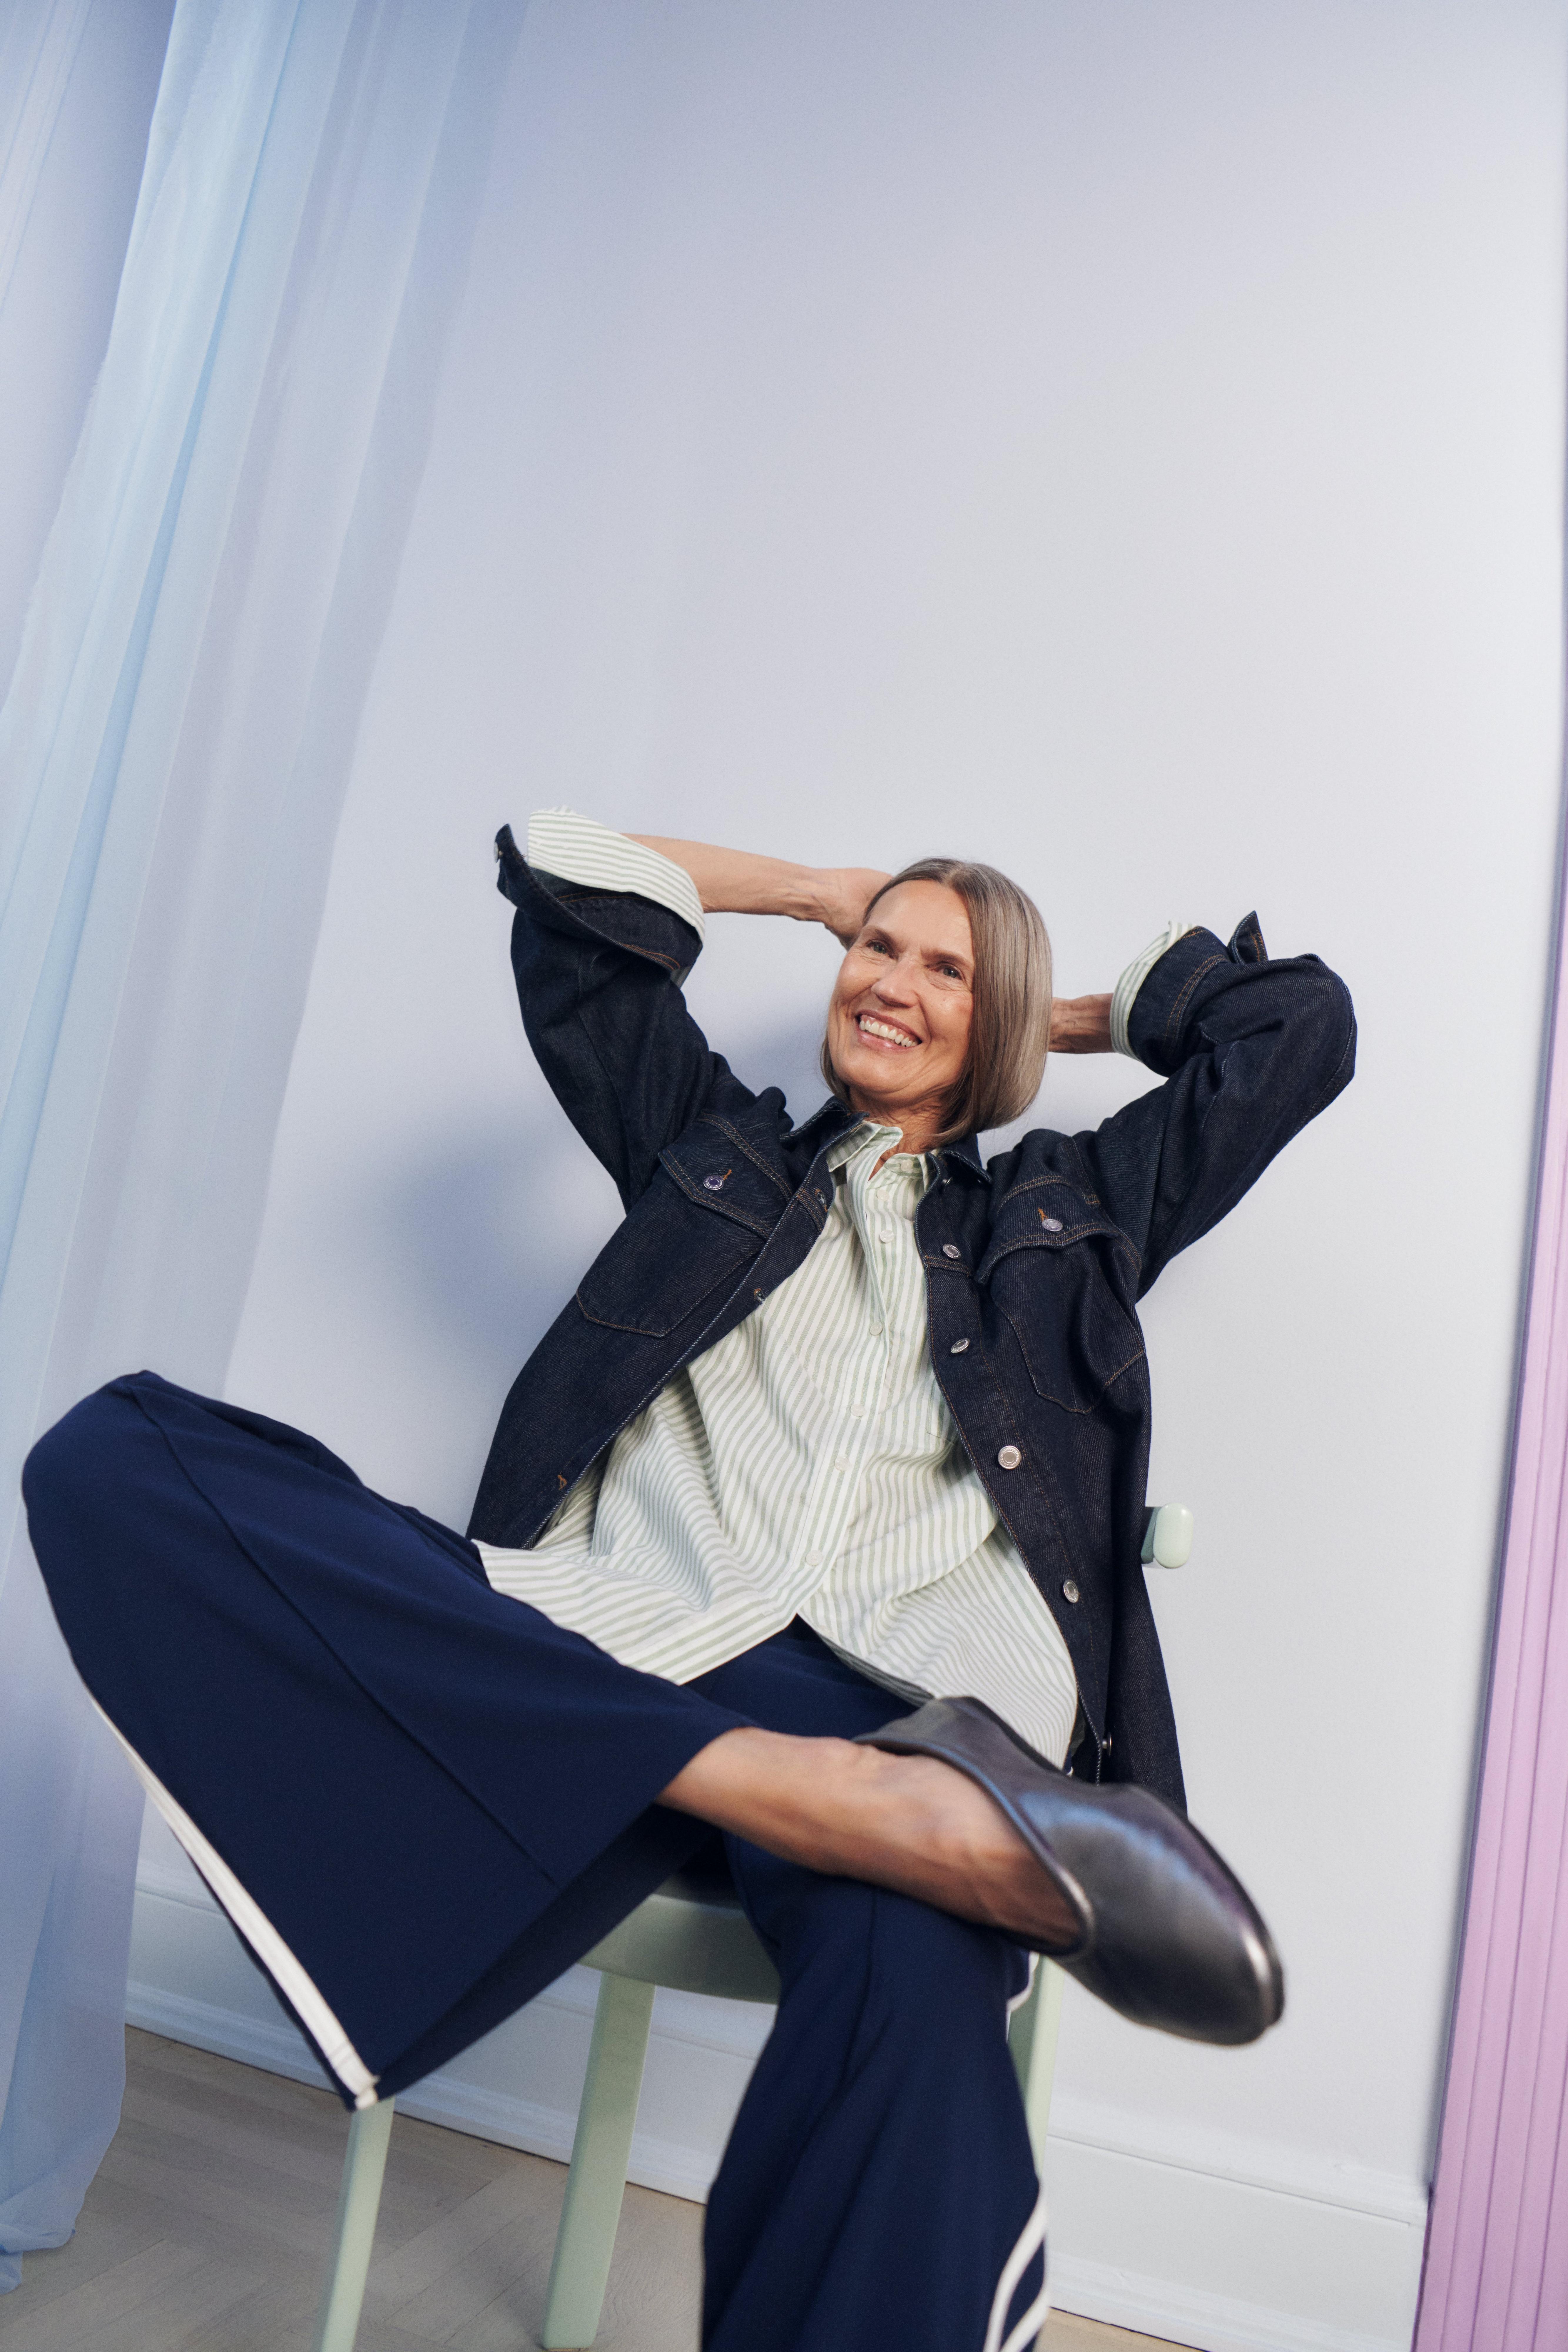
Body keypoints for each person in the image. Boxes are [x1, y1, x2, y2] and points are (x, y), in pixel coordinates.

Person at [23, 810, 1355, 2352]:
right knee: (117, 1462)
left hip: (904, 1704)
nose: (890, 980)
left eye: (940, 972)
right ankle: (803, 1795)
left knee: (905, 1974)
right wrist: (810, 890)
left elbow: (1295, 1027)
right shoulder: (708, 1155)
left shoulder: (1071, 1209)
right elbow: (569, 890)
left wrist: (1032, 1014)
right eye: (877, 948)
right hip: (609, 1652)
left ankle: (849, 1804)